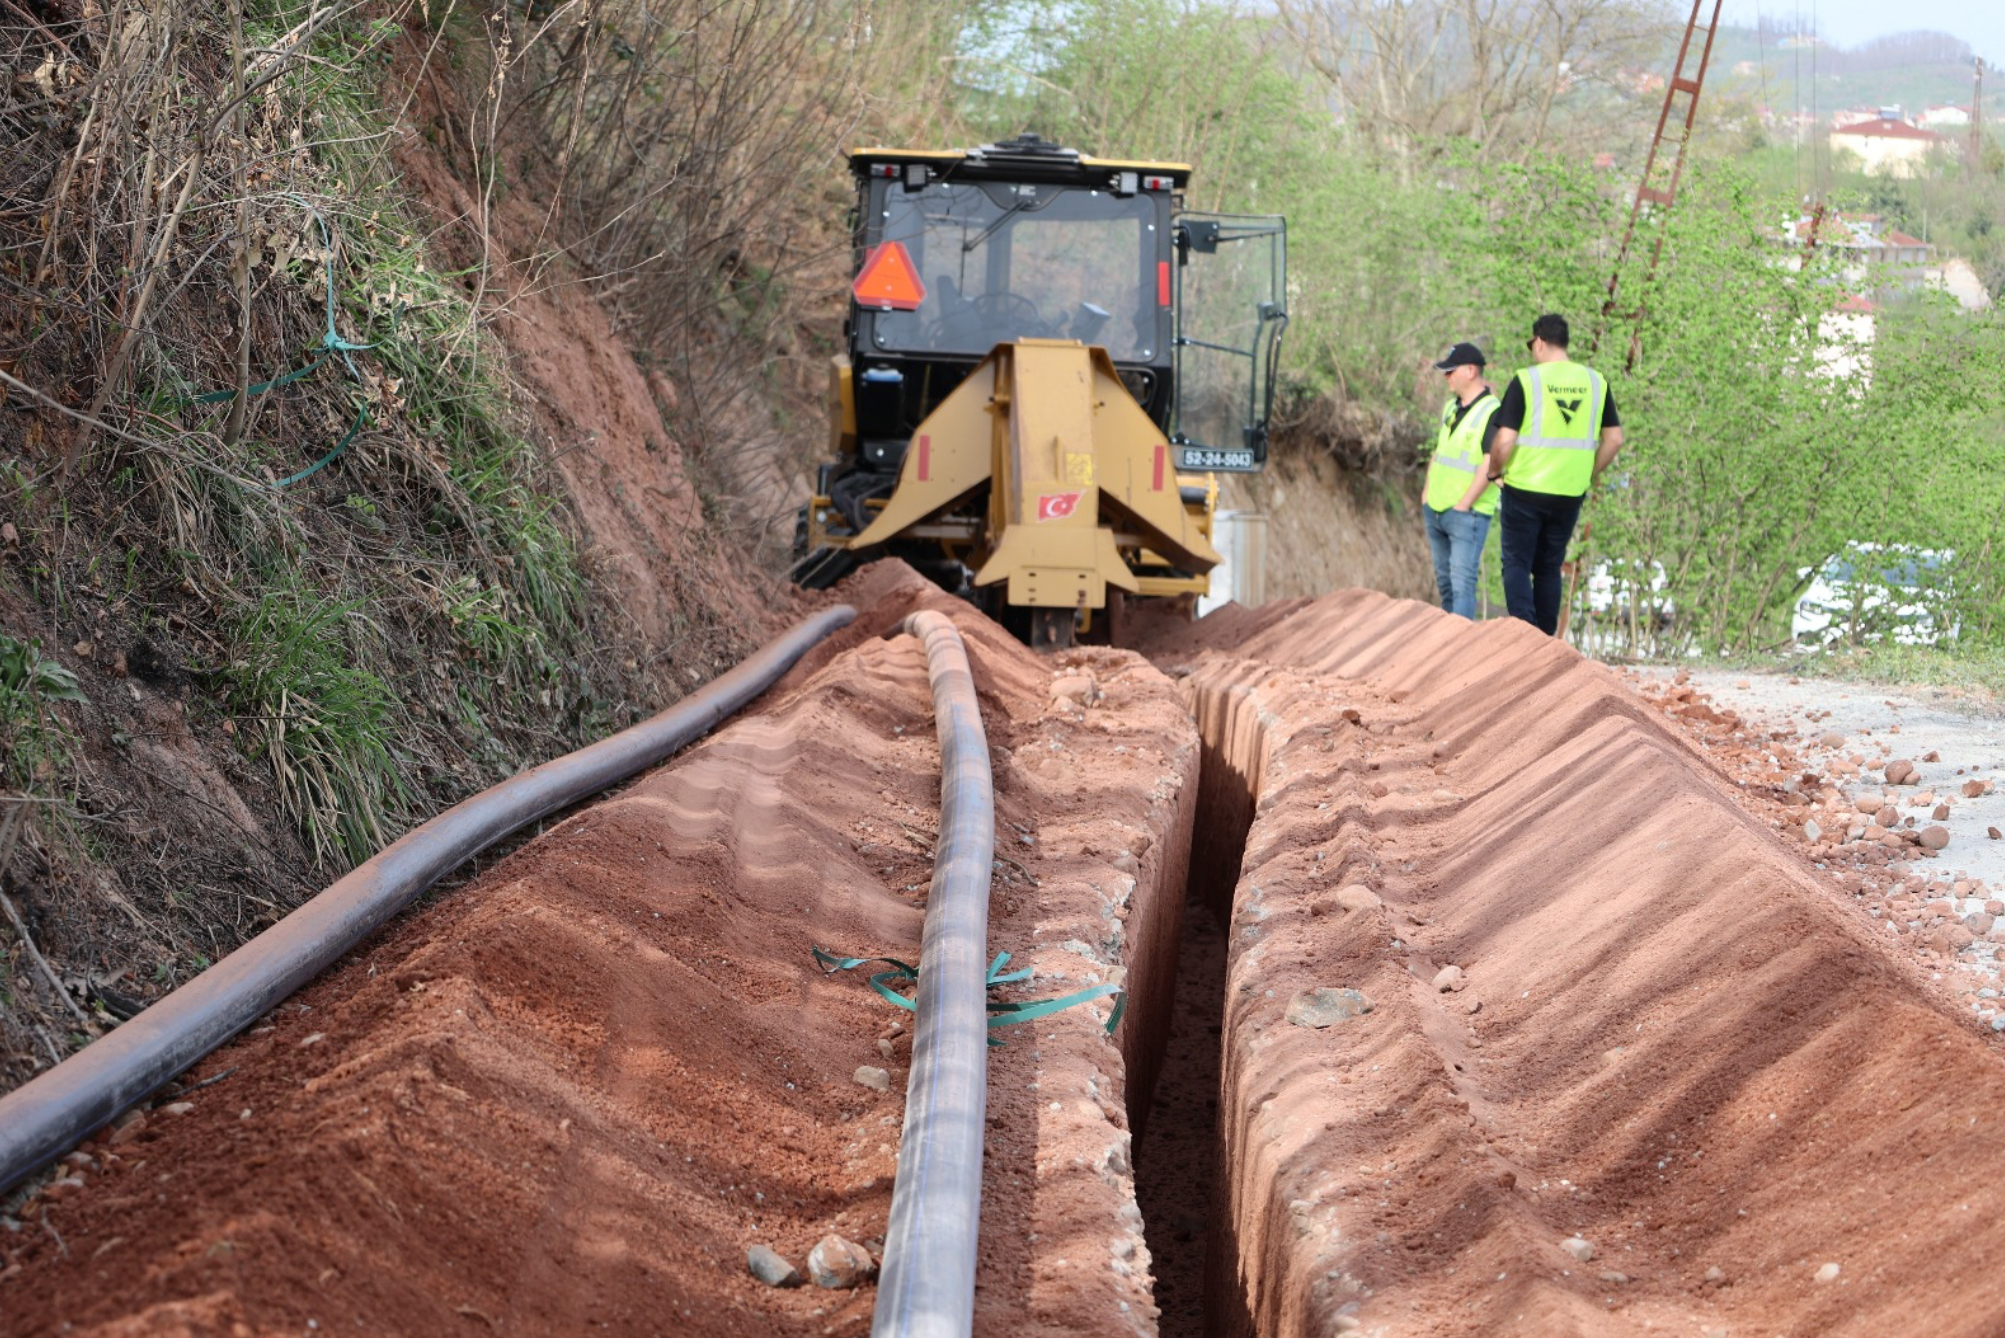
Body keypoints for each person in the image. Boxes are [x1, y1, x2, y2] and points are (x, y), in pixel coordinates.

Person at [1487, 314, 1624, 635]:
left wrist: (1495, 471)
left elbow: (1505, 439)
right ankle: (1546, 642)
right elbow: (1614, 439)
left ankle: (1524, 637)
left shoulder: (1527, 380)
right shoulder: (1596, 382)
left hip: (1524, 486)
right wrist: (1588, 473)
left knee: (1517, 562)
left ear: (1539, 342)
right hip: (1569, 491)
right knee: (1549, 566)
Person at [1420, 342, 1501, 619]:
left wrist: (1464, 504)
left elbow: (1491, 463)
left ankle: (1462, 653)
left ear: (1469, 371)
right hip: (1437, 509)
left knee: (1462, 585)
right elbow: (1441, 452)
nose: (1446, 377)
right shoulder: (1450, 408)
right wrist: (1426, 495)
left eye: (1450, 371)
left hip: (1468, 514)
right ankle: (1449, 648)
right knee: (1445, 585)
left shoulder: (1493, 411)